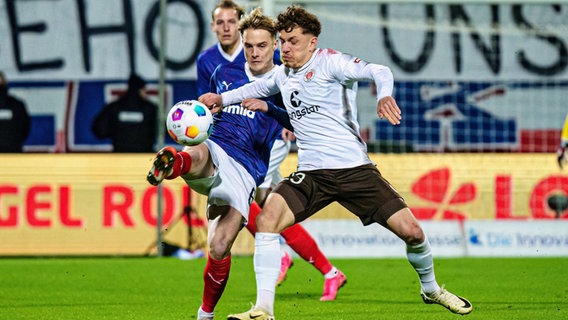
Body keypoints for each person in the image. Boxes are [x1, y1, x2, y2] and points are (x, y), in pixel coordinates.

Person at [199, 5, 473, 319]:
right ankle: (263, 309)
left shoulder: (331, 62)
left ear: (312, 42)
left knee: (412, 232)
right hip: (313, 174)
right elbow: (252, 88)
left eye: (293, 41)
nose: (285, 48)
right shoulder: (282, 74)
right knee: (267, 220)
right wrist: (221, 99)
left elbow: (379, 70)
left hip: (355, 171)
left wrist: (384, 94)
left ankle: (431, 289)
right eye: (283, 41)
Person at [147, 8, 344, 320]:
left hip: (246, 170)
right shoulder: (224, 75)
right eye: (249, 45)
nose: (254, 52)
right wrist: (202, 114)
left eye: (262, 46)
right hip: (218, 147)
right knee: (197, 152)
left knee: (219, 246)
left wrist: (283, 119)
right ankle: (172, 161)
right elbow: (207, 111)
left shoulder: (285, 81)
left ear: (275, 46)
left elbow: (304, 116)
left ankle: (205, 314)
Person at [199, 0, 345, 297]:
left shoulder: (272, 61)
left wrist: (287, 121)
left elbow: (292, 96)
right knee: (265, 209)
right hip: (234, 144)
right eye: (220, 22)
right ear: (213, 27)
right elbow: (210, 104)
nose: (226, 28)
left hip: (266, 144)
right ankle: (324, 269)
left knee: (254, 206)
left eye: (231, 22)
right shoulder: (209, 62)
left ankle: (285, 256)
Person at [92, 73, 157, 152]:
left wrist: (116, 131)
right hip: (143, 157)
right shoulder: (151, 109)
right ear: (141, 90)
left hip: (120, 157)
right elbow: (162, 131)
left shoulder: (114, 107)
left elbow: (100, 130)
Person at [0, 71, 31, 152]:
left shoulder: (18, 105)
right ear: (6, 83)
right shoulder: (17, 105)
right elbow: (25, 129)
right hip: (14, 154)